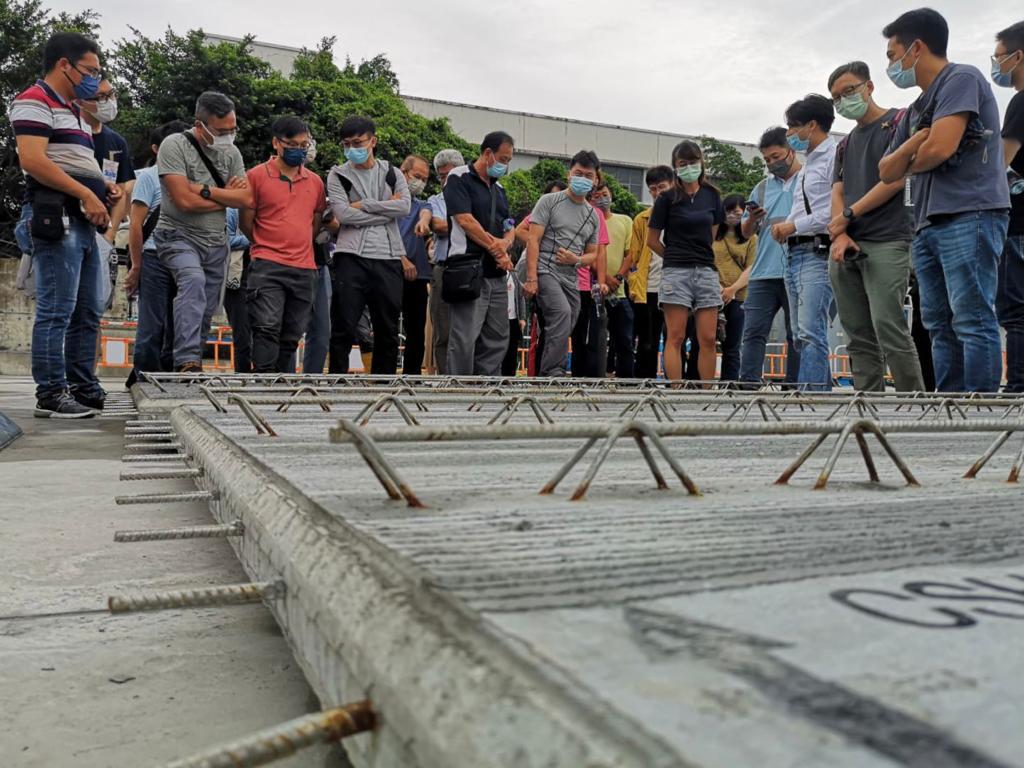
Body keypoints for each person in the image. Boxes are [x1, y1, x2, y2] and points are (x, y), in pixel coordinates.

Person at [879, 8, 1010, 393]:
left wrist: (914, 150)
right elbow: (886, 171)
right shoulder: (915, 110)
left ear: (916, 48)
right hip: (926, 224)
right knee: (938, 324)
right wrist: (915, 143)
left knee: (972, 317)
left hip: (970, 213)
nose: (892, 65)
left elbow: (940, 147)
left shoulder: (961, 78)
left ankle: (981, 409)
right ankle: (949, 405)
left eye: (893, 55)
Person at [10, 32, 122, 417]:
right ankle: (51, 393)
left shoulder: (73, 110)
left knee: (88, 311)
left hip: (83, 221)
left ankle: (82, 386)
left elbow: (70, 160)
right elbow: (33, 160)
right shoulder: (34, 100)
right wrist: (87, 194)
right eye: (90, 71)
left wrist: (102, 185)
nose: (94, 80)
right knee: (57, 309)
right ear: (64, 65)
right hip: (56, 216)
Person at [826, 62, 925, 393]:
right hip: (847, 245)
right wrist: (840, 232)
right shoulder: (845, 144)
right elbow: (838, 190)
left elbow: (897, 179)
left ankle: (914, 405)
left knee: (889, 326)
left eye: (849, 91)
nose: (843, 100)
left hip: (888, 240)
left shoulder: (899, 122)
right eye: (836, 97)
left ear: (869, 87)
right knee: (857, 333)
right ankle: (868, 404)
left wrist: (848, 215)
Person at [154, 91, 251, 374]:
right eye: (222, 131)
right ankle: (187, 360)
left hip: (216, 242)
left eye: (233, 130)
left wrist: (203, 190)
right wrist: (225, 195)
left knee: (207, 306)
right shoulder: (174, 145)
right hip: (178, 236)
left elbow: (245, 199)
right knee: (193, 282)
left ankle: (192, 361)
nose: (229, 137)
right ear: (200, 125)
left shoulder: (232, 153)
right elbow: (183, 201)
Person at [238, 116, 326, 373]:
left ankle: (278, 381)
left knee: (291, 334)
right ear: (276, 143)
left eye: (304, 145)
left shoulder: (315, 182)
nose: (299, 150)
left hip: (304, 267)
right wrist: (267, 243)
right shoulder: (256, 176)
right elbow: (246, 223)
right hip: (268, 264)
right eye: (292, 144)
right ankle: (263, 381)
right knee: (266, 327)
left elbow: (315, 222)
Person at [327, 116, 411, 374]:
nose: (352, 148)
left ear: (372, 141)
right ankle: (337, 381)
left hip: (388, 257)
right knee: (343, 325)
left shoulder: (392, 173)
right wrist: (387, 210)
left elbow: (404, 207)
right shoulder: (338, 174)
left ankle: (383, 385)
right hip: (350, 256)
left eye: (358, 142)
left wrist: (364, 204)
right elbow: (343, 215)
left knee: (387, 328)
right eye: (346, 144)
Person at [771, 95, 837, 391]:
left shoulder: (834, 156)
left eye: (793, 126)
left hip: (817, 251)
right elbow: (803, 207)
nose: (789, 134)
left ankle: (810, 398)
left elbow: (833, 210)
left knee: (811, 331)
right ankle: (818, 393)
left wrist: (793, 225)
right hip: (795, 251)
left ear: (812, 125)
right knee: (800, 333)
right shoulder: (808, 163)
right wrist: (786, 226)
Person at [647, 141, 724, 383]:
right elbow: (652, 240)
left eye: (693, 162)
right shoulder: (667, 198)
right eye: (683, 163)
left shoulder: (712, 195)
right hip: (676, 271)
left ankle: (707, 391)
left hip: (706, 270)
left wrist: (697, 254)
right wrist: (672, 256)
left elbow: (711, 235)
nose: (689, 167)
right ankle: (676, 390)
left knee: (708, 338)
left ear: (701, 163)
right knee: (676, 336)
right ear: (675, 167)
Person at [523, 151, 603, 376]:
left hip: (571, 277)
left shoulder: (593, 215)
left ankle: (543, 372)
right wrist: (531, 278)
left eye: (588, 175)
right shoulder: (549, 201)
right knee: (561, 313)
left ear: (595, 180)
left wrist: (576, 260)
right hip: (545, 269)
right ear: (569, 174)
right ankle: (553, 373)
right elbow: (532, 239)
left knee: (566, 321)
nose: (582, 179)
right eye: (578, 173)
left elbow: (593, 254)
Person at [443, 131, 515, 376]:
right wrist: (497, 249)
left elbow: (509, 224)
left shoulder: (499, 189)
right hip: (468, 268)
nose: (505, 165)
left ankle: (487, 385)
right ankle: (459, 387)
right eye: (503, 159)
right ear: (487, 153)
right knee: (464, 336)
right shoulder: (458, 176)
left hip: (496, 273)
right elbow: (465, 220)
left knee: (497, 335)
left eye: (509, 161)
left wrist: (506, 243)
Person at [738, 128, 802, 387]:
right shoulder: (762, 188)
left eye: (776, 156)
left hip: (797, 270)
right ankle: (748, 385)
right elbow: (745, 232)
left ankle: (794, 387)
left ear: (791, 150)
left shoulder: (808, 181)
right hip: (763, 273)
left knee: (797, 334)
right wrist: (751, 219)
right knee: (753, 332)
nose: (772, 163)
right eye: (767, 159)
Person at [127, 120, 189, 382]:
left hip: (187, 258)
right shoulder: (148, 178)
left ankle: (172, 376)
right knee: (152, 325)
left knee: (182, 323)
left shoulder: (195, 176)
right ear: (157, 149)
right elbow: (136, 225)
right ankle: (145, 377)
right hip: (154, 257)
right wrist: (136, 265)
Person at [993, 20, 1024, 393]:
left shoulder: (1020, 101)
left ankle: (1018, 388)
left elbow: (999, 163)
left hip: (1017, 225)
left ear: (1018, 56)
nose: (996, 64)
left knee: (1015, 311)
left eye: (998, 56)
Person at [515, 179, 570, 375]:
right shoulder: (542, 211)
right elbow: (519, 231)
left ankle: (547, 371)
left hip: (567, 276)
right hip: (541, 274)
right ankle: (545, 373)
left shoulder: (576, 213)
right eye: (552, 195)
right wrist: (541, 244)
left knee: (561, 325)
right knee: (548, 325)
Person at [629, 166, 675, 379]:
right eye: (653, 189)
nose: (658, 193)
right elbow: (634, 255)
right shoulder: (642, 219)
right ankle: (644, 384)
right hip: (648, 287)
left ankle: (675, 383)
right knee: (647, 342)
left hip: (677, 287)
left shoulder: (681, 216)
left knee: (676, 338)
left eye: (662, 187)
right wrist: (633, 281)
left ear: (673, 185)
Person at [426, 149, 466, 375]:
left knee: (469, 328)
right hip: (443, 268)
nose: (445, 181)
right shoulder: (435, 200)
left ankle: (468, 379)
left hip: (469, 267)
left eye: (450, 175)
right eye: (441, 176)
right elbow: (438, 226)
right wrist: (468, 224)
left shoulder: (474, 196)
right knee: (443, 329)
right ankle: (445, 377)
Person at [591, 181, 635, 378]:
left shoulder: (625, 221)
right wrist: (605, 277)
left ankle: (626, 381)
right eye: (597, 196)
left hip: (619, 292)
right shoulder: (589, 219)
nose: (602, 199)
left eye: (605, 194)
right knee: (595, 339)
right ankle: (595, 378)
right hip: (595, 291)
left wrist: (617, 277)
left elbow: (631, 253)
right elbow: (588, 254)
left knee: (625, 339)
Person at [713, 194, 757, 381]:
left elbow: (751, 266)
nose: (732, 216)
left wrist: (732, 289)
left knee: (732, 346)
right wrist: (717, 287)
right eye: (729, 211)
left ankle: (729, 384)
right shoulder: (713, 234)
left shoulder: (751, 238)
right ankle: (701, 384)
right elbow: (706, 260)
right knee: (705, 341)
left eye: (737, 213)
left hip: (739, 297)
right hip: (711, 295)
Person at [397, 154, 433, 375]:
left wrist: (424, 221)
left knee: (416, 331)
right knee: (386, 328)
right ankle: (383, 379)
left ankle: (412, 377)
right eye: (417, 176)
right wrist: (402, 260)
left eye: (425, 179)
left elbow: (426, 213)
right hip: (390, 271)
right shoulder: (388, 203)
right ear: (403, 172)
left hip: (418, 276)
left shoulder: (421, 204)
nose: (420, 183)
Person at [221, 208, 252, 372]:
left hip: (259, 275)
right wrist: (255, 237)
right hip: (236, 279)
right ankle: (243, 373)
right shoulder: (232, 211)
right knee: (242, 333)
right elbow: (225, 240)